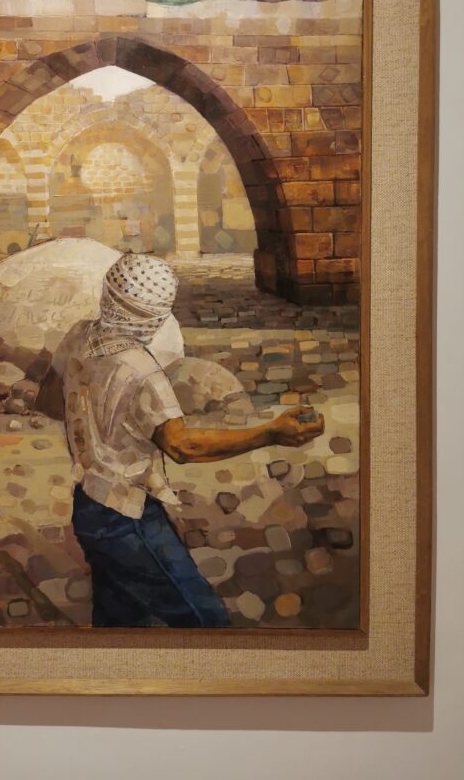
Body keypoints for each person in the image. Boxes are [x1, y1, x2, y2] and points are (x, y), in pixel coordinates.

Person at [50, 252, 324, 628]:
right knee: (203, 618)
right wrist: (270, 433)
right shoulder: (142, 371)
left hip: (87, 503)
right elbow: (182, 445)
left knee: (120, 616)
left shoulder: (78, 336)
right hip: (126, 512)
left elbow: (53, 398)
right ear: (155, 316)